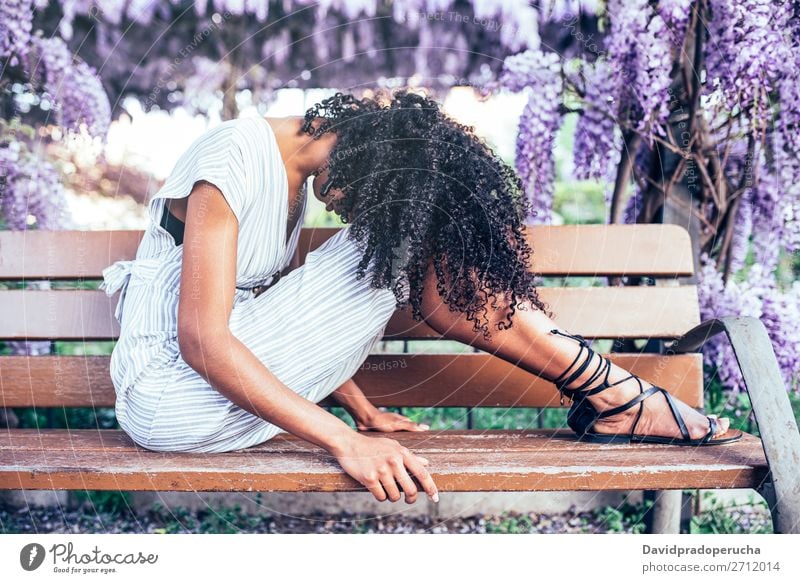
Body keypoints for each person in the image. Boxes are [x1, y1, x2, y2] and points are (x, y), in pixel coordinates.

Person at [100, 90, 742, 505]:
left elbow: (274, 321)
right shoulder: (235, 155)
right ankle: (620, 396)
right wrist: (344, 441)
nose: (357, 203)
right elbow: (206, 339)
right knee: (406, 238)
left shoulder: (293, 174)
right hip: (168, 397)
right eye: (384, 184)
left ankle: (615, 396)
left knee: (405, 237)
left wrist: (362, 409)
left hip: (205, 402)